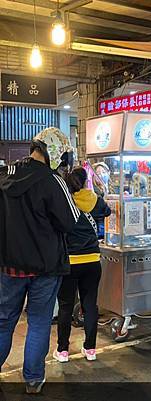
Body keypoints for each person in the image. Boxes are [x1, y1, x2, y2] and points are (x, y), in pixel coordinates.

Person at [0, 128, 79, 394]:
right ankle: (33, 379)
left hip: (9, 265)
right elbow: (70, 221)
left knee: (4, 321)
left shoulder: (6, 175)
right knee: (39, 321)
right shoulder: (52, 181)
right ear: (55, 152)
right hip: (45, 268)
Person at [53, 167, 111, 363]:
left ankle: (62, 351)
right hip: (92, 261)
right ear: (86, 180)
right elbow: (107, 211)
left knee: (66, 307)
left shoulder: (65, 200)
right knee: (90, 305)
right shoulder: (92, 198)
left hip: (69, 263)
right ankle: (91, 349)